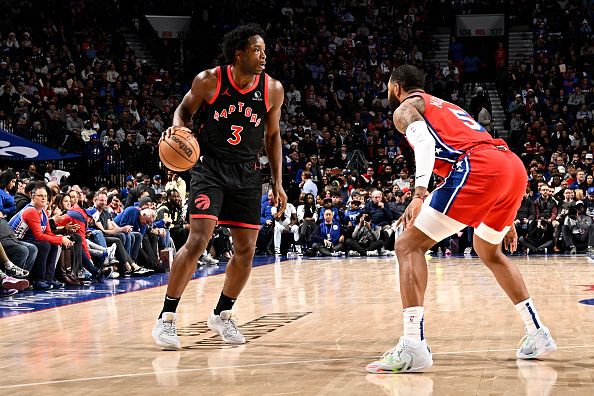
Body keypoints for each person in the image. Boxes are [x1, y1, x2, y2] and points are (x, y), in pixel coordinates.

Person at [366, 65, 556, 374]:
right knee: (488, 250)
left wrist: (419, 193)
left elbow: (426, 144)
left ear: (397, 86)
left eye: (388, 86)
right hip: (510, 167)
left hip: (477, 166)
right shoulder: (446, 105)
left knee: (407, 246)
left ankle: (413, 345)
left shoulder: (405, 108)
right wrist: (506, 219)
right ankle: (537, 332)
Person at [152, 24, 286, 350]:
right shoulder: (209, 80)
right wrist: (178, 132)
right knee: (198, 240)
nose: (263, 55)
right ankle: (166, 318)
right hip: (209, 168)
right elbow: (183, 110)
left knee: (246, 250)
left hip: (247, 172)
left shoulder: (272, 89)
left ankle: (222, 314)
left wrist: (278, 182)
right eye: (257, 50)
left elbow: (271, 136)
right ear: (239, 54)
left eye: (264, 50)